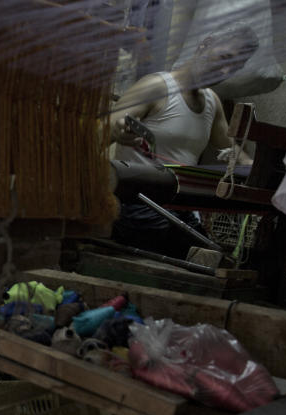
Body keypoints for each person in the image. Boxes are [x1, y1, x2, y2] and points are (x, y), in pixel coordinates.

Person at [108, 23, 259, 259]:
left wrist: (255, 170)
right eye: (224, 57)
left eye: (235, 66)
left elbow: (230, 150)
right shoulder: (157, 87)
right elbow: (107, 128)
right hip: (139, 204)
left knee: (208, 259)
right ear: (204, 45)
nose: (224, 71)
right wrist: (119, 130)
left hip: (180, 208)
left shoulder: (212, 102)